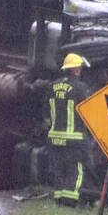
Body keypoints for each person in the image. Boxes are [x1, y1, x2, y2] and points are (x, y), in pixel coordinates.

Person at [45, 53, 95, 206]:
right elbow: (90, 113)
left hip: (54, 138)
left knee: (59, 170)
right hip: (75, 140)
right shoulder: (81, 88)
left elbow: (45, 113)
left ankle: (59, 200)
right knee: (76, 170)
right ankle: (69, 203)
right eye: (79, 67)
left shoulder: (52, 87)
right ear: (76, 69)